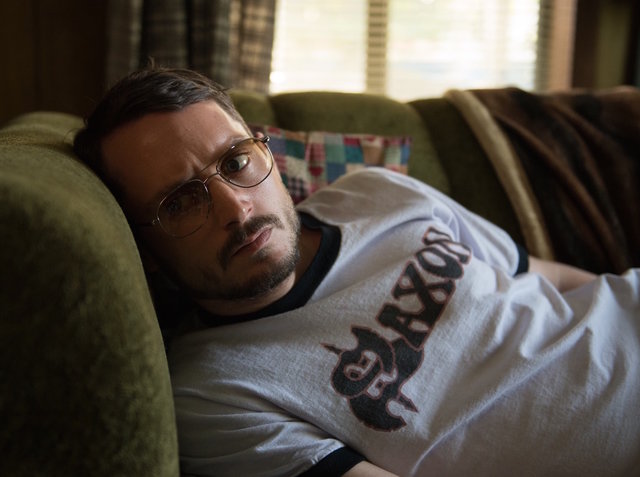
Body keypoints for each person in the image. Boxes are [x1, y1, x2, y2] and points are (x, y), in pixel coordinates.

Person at [73, 67, 640, 477]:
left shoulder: (379, 191)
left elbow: (552, 278)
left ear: (269, 155)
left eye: (236, 161)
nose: (235, 208)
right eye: (180, 202)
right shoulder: (212, 395)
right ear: (144, 246)